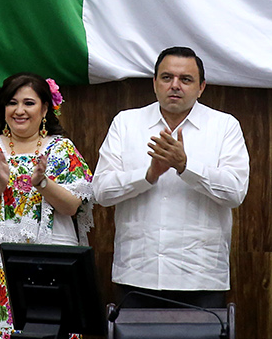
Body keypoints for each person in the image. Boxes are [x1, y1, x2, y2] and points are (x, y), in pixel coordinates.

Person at [92, 46, 249, 309]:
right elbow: (102, 192)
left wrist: (186, 166)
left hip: (200, 276)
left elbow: (234, 192)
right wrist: (148, 175)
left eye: (185, 79)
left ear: (201, 87)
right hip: (136, 274)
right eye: (166, 78)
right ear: (154, 83)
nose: (175, 85)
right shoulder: (126, 123)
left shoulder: (225, 126)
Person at [0, 74, 93, 339]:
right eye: (12, 103)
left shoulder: (61, 149)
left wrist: (43, 183)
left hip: (52, 266)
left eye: (29, 103)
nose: (20, 110)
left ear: (45, 108)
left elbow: (72, 206)